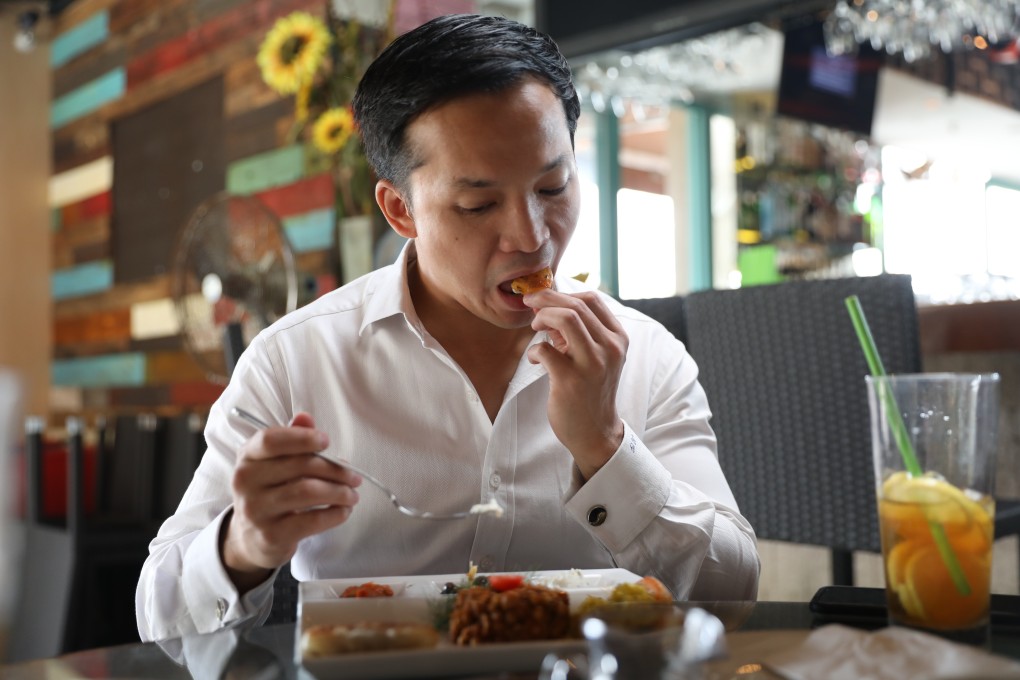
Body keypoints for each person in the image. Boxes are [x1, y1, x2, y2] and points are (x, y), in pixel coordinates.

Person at [136, 13, 759, 642]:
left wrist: (603, 445)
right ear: (400, 209)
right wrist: (242, 544)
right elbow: (157, 615)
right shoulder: (294, 361)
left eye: (554, 186)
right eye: (478, 204)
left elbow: (734, 595)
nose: (532, 237)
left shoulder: (648, 355)